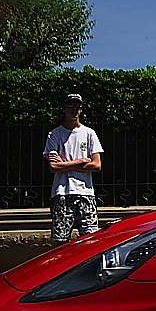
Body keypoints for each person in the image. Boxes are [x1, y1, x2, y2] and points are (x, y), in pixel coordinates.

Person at [43, 94, 104, 244]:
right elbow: (53, 166)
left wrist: (65, 165)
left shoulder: (89, 133)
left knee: (91, 240)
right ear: (63, 109)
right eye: (70, 106)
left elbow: (96, 165)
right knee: (61, 241)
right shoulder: (55, 134)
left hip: (86, 193)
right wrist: (81, 161)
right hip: (62, 193)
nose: (74, 110)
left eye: (77, 106)